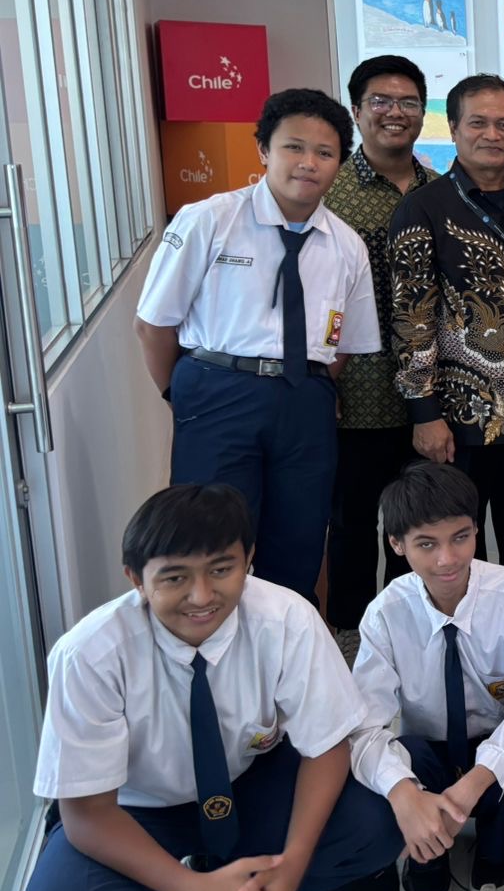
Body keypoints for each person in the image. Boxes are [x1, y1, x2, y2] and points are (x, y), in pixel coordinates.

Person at [20, 484, 405, 891]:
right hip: (136, 808)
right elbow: (87, 812)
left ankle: (245, 880)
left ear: (248, 559)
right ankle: (187, 884)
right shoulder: (89, 654)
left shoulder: (286, 618)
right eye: (175, 577)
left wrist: (292, 866)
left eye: (221, 569)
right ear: (136, 579)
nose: (202, 596)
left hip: (248, 782)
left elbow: (327, 745)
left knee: (375, 821)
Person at [134, 88, 379, 600]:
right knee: (209, 540)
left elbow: (344, 345)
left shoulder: (346, 245)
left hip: (305, 403)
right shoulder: (209, 220)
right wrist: (181, 394)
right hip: (217, 392)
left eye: (325, 152)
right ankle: (211, 641)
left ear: (338, 164)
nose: (308, 163)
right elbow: (153, 325)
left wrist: (305, 387)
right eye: (294, 147)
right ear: (264, 149)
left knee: (299, 539)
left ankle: (283, 643)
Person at [389, 73, 504, 601]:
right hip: (457, 421)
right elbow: (410, 317)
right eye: (478, 123)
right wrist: (424, 412)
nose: (492, 134)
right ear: (453, 128)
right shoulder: (422, 208)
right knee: (458, 555)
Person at [349, 462, 504, 891]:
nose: (447, 559)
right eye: (427, 544)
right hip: (429, 749)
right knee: (402, 759)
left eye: (460, 537)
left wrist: (477, 780)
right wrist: (404, 795)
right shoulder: (385, 614)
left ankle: (499, 831)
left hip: (497, 744)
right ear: (396, 543)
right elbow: (363, 727)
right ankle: (427, 847)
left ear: (477, 528)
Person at [323, 54, 437, 657]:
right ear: (356, 110)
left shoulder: (440, 189)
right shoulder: (330, 190)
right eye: (381, 102)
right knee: (351, 522)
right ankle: (348, 636)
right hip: (355, 390)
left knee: (416, 519)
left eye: (408, 102)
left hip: (430, 394)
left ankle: (405, 634)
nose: (396, 113)